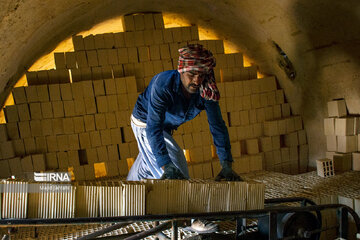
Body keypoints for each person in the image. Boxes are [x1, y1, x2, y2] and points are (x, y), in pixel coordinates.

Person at [127, 44, 241, 182]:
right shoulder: (163, 84)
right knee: (176, 170)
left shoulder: (207, 90)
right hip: (145, 122)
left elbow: (217, 126)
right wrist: (166, 164)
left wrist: (226, 164)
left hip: (165, 127)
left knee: (152, 161)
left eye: (202, 75)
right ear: (181, 70)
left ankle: (132, 182)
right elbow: (153, 127)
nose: (197, 81)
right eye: (192, 74)